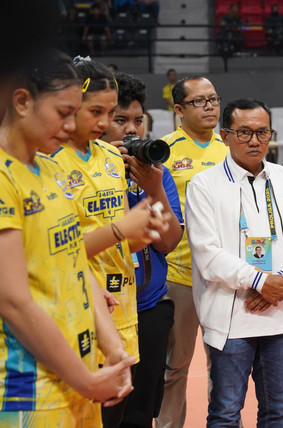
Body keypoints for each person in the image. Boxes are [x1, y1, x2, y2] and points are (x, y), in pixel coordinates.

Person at [0, 48, 135, 428]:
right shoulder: (3, 176)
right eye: (63, 113)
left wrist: (113, 353)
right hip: (26, 386)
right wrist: (87, 380)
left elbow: (76, 261)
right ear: (23, 101)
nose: (70, 124)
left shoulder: (48, 167)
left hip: (80, 374)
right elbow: (13, 301)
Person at [50, 56, 169, 428]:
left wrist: (138, 237)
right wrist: (120, 232)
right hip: (77, 312)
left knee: (118, 415)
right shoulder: (49, 161)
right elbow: (54, 253)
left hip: (124, 310)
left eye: (110, 112)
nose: (104, 122)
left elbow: (117, 241)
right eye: (95, 111)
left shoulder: (110, 158)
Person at [185, 97, 283, 426]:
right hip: (231, 318)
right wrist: (260, 281)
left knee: (277, 413)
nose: (255, 141)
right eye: (244, 133)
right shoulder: (204, 184)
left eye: (262, 132)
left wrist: (280, 279)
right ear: (225, 135)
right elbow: (207, 253)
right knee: (226, 414)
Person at [101, 72, 184, 428]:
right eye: (121, 120)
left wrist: (153, 189)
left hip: (149, 308)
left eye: (138, 120)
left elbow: (169, 241)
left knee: (139, 414)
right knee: (103, 412)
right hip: (102, 309)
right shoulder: (91, 170)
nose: (131, 130)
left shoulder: (156, 173)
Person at [156, 75, 229, 428]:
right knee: (176, 365)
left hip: (224, 276)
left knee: (227, 365)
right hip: (179, 274)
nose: (210, 107)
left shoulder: (231, 148)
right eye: (200, 101)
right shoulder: (163, 151)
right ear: (179, 110)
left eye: (213, 99)